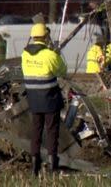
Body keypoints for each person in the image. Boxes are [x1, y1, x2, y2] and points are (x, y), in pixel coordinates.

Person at [21, 23, 67, 176]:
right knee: (52, 130)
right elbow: (62, 70)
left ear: (33, 37)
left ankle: (35, 165)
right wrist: (56, 54)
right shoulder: (49, 54)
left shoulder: (25, 54)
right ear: (46, 37)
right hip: (49, 97)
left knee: (36, 130)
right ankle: (52, 164)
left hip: (33, 98)